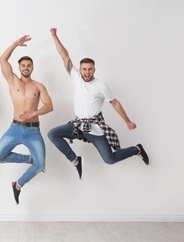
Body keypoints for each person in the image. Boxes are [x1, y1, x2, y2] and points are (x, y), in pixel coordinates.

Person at [47, 28, 150, 180]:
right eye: (84, 69)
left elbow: (115, 103)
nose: (87, 72)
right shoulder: (75, 77)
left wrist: (128, 121)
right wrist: (55, 36)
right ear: (80, 70)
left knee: (110, 159)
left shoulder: (101, 85)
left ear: (94, 69)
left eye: (90, 69)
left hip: (94, 128)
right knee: (52, 134)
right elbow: (64, 56)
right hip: (78, 125)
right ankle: (75, 161)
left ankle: (137, 149)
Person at [0, 35, 53, 204]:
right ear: (19, 67)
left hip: (33, 131)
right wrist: (15, 44)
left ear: (32, 67)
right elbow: (2, 59)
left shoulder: (39, 86)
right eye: (23, 65)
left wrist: (33, 113)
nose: (26, 67)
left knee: (41, 166)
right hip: (15, 129)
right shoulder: (12, 81)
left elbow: (49, 106)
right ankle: (29, 159)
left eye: (28, 65)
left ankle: (18, 184)